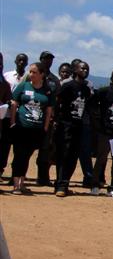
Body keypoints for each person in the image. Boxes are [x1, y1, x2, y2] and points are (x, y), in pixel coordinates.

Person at [9, 62, 54, 194]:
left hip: (36, 129)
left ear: (42, 74)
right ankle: (16, 185)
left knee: (27, 155)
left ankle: (22, 182)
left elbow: (49, 110)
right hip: (21, 127)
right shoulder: (24, 85)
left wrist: (45, 127)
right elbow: (14, 103)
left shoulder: (47, 90)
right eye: (30, 72)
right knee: (19, 155)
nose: (31, 74)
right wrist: (12, 122)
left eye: (34, 72)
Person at [54, 60, 92, 197]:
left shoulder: (86, 89)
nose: (85, 71)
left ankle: (64, 183)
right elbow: (57, 102)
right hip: (66, 125)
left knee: (73, 157)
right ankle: (61, 185)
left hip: (79, 126)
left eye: (87, 69)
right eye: (82, 68)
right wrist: (57, 120)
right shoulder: (68, 86)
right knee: (64, 155)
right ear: (75, 70)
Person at [89, 69, 113, 198]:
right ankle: (95, 185)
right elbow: (92, 106)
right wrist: (98, 125)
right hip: (104, 131)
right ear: (111, 79)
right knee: (101, 158)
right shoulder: (103, 91)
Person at [36, 50, 61, 186]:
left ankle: (43, 177)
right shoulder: (32, 75)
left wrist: (54, 117)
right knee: (24, 148)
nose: (48, 61)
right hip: (31, 118)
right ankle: (17, 176)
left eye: (50, 59)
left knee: (45, 149)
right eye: (46, 58)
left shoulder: (54, 80)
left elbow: (57, 100)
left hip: (47, 120)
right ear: (41, 59)